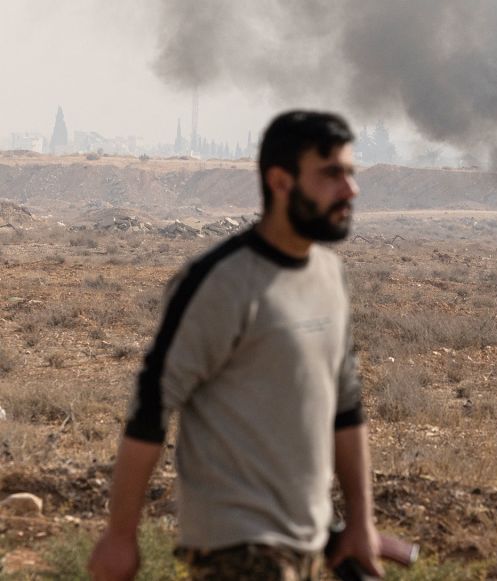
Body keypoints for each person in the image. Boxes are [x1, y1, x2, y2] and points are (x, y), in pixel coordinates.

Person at [88, 110, 382, 580]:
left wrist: (361, 523)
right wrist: (120, 536)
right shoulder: (221, 282)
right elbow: (151, 407)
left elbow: (346, 410)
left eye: (350, 173)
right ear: (281, 181)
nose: (350, 190)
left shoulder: (330, 276)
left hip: (308, 543)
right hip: (237, 549)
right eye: (331, 174)